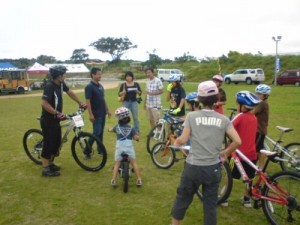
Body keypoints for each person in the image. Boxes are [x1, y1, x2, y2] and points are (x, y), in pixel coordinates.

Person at [170, 81, 241, 225]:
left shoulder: (192, 116)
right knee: (210, 204)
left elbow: (183, 139)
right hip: (213, 168)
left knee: (182, 198)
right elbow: (238, 141)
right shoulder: (223, 119)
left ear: (200, 99)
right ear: (216, 97)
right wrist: (226, 152)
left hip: (193, 167)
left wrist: (176, 142)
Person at [40, 65, 87, 177]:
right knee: (49, 143)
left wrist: (80, 102)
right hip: (48, 120)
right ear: (58, 76)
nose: (65, 76)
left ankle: (51, 163)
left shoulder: (60, 84)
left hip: (56, 120)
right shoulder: (50, 87)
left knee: (56, 143)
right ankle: (45, 168)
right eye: (63, 74)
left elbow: (70, 92)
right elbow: (43, 103)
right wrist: (56, 113)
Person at [225, 90, 261, 208]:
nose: (236, 106)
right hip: (251, 154)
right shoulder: (254, 117)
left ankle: (224, 197)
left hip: (237, 153)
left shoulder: (240, 116)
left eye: (237, 104)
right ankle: (246, 199)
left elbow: (228, 127)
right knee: (249, 178)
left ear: (242, 106)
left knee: (228, 174)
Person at [108, 107, 142, 186]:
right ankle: (139, 179)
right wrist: (137, 138)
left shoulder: (117, 127)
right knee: (133, 162)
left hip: (119, 147)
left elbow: (111, 130)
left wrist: (109, 129)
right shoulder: (131, 128)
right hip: (129, 147)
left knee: (117, 164)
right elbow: (135, 137)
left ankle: (113, 179)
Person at [85, 67, 112, 156]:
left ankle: (100, 150)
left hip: (102, 113)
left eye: (101, 74)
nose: (100, 76)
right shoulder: (89, 87)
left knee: (100, 133)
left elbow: (102, 99)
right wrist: (90, 114)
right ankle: (87, 151)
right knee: (96, 133)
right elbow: (88, 101)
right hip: (95, 114)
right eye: (98, 74)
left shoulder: (100, 86)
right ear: (93, 75)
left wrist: (107, 110)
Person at [252, 84, 271, 169]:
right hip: (259, 129)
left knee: (257, 150)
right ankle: (260, 167)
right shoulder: (261, 103)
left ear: (265, 96)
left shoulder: (262, 103)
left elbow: (252, 112)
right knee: (259, 149)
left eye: (259, 94)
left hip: (259, 130)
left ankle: (261, 167)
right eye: (256, 93)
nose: (257, 95)